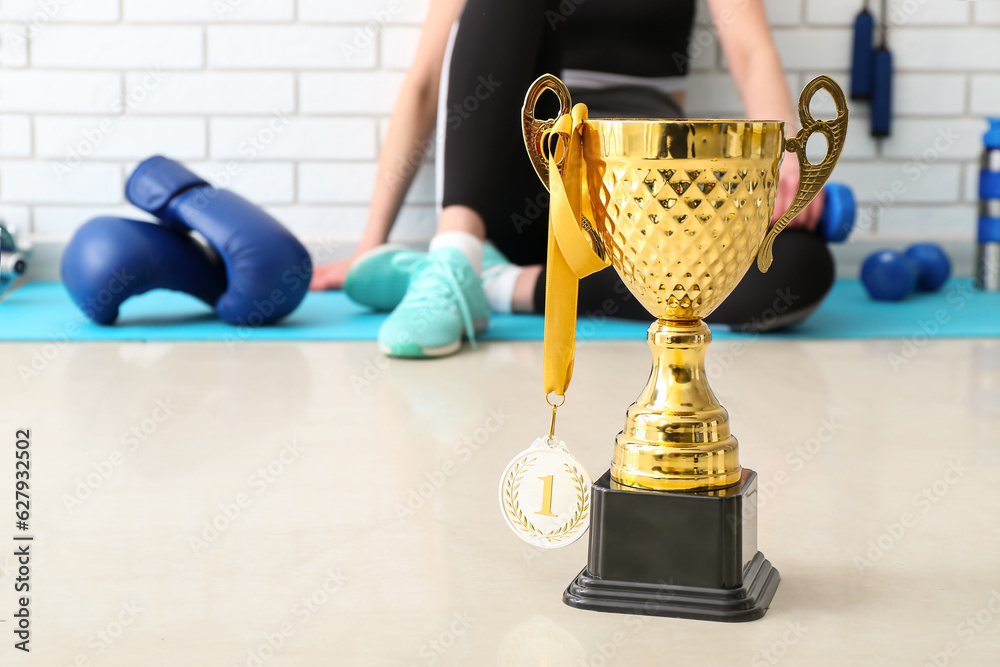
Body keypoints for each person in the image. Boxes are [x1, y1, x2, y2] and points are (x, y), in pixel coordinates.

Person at [310, 0, 835, 358]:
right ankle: (455, 253)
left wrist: (783, 167)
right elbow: (425, 84)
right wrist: (369, 244)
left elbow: (750, 51)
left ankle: (492, 283)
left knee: (798, 268)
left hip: (635, 202)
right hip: (525, 177)